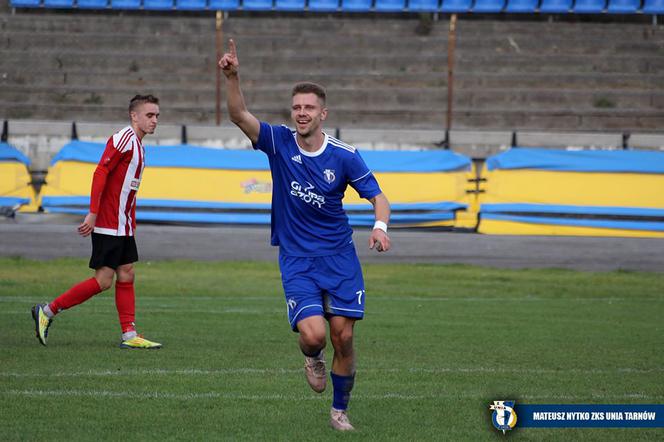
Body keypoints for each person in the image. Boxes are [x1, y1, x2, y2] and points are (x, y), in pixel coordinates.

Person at [219, 39, 391, 431]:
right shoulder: (278, 142)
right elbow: (239, 115)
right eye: (296, 107)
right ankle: (311, 357)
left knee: (343, 338)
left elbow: (379, 199)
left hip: (340, 257)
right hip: (297, 258)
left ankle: (339, 410)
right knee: (315, 336)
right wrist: (233, 77)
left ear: (322, 113)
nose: (301, 113)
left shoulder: (344, 156)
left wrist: (380, 228)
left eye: (308, 107)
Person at [31, 94, 162, 350]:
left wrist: (130, 221)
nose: (154, 120)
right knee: (104, 281)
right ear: (133, 116)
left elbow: (129, 189)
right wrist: (93, 212)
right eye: (149, 115)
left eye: (157, 115)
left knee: (127, 274)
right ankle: (47, 311)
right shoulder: (123, 138)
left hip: (122, 224)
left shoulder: (139, 145)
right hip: (108, 223)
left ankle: (129, 334)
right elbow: (101, 172)